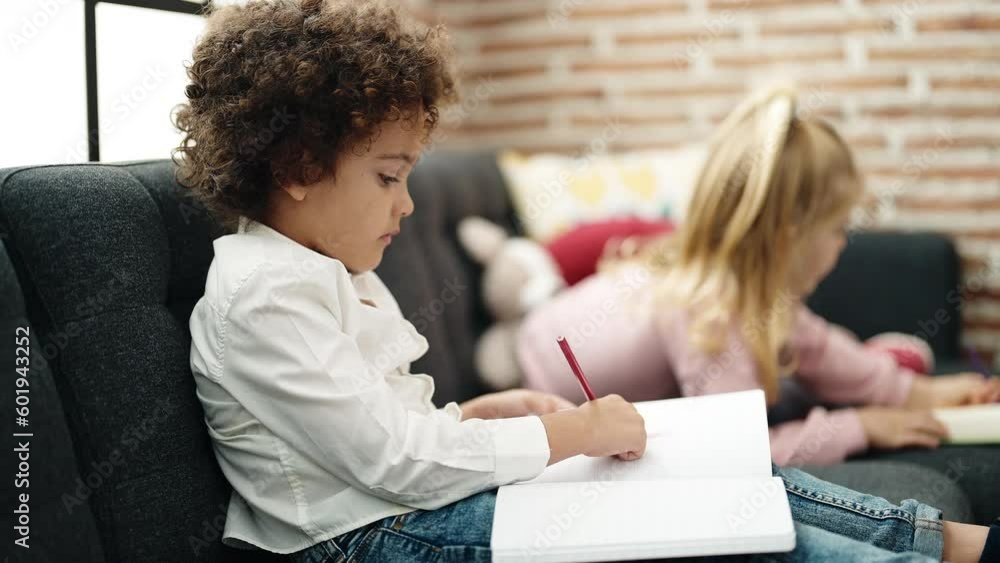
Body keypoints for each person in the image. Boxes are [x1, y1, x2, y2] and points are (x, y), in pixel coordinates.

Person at [176, 1, 999, 561]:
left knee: (722, 467)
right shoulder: (263, 296)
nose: (409, 201)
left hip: (401, 508)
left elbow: (378, 432)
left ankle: (948, 541)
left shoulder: (332, 267)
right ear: (297, 165)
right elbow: (396, 464)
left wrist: (470, 413)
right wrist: (570, 436)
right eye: (389, 177)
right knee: (688, 514)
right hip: (361, 542)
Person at [518, 85, 1000, 467]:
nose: (842, 244)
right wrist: (863, 426)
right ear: (788, 236)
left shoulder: (763, 297)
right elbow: (737, 451)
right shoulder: (710, 311)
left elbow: (824, 350)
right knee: (774, 387)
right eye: (838, 229)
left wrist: (924, 394)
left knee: (788, 367)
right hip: (543, 377)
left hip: (575, 327)